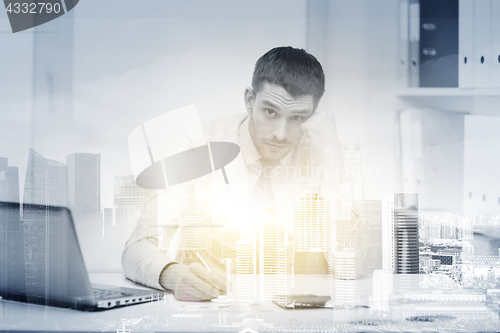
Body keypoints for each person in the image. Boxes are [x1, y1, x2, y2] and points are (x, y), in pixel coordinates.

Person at [121, 46, 343, 301]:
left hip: (298, 310)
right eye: (270, 112)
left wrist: (332, 158)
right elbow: (137, 247)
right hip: (210, 308)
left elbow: (356, 262)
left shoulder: (321, 152)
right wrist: (175, 276)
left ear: (313, 114)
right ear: (249, 100)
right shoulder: (197, 148)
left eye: (297, 118)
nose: (280, 134)